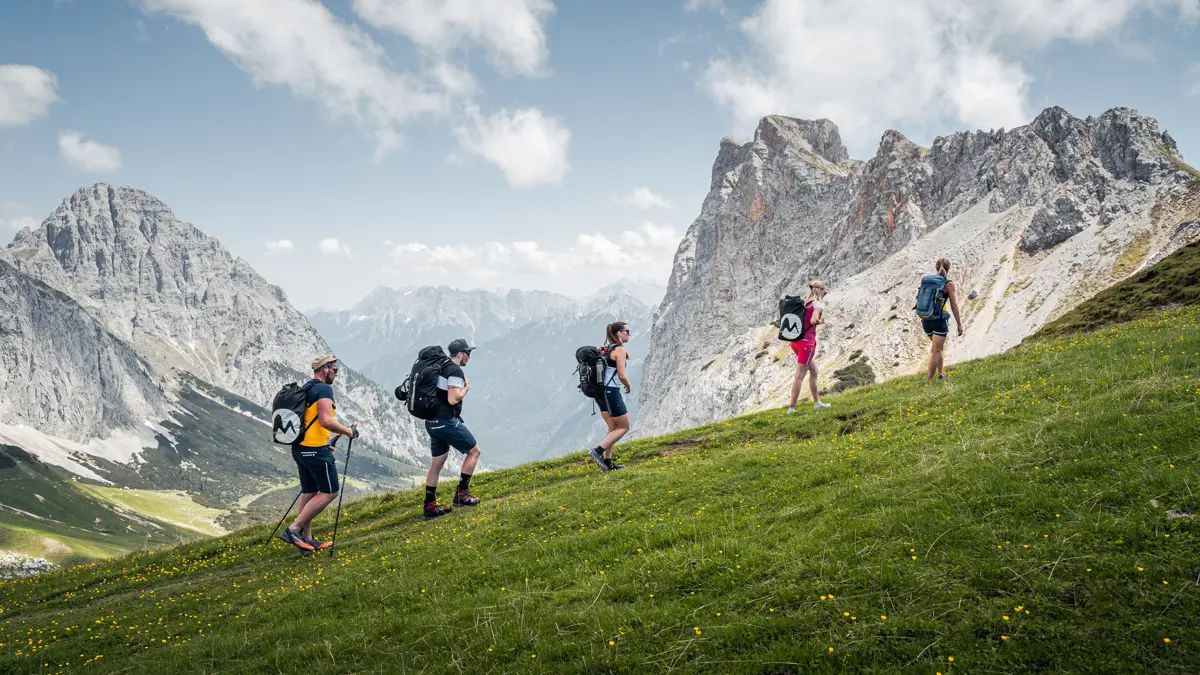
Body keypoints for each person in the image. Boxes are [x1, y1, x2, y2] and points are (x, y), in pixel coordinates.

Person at [278, 355, 359, 552]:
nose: (337, 373)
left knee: (309, 491)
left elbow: (312, 421)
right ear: (325, 369)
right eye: (335, 369)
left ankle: (306, 540)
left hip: (300, 448)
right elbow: (325, 420)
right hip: (314, 450)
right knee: (330, 491)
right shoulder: (323, 389)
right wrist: (348, 432)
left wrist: (326, 441)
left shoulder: (307, 387)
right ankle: (294, 529)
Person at [422, 339, 482, 519]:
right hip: (445, 421)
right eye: (468, 353)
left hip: (431, 421)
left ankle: (429, 507)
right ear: (460, 354)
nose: (469, 357)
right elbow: (453, 399)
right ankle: (462, 496)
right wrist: (466, 388)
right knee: (474, 452)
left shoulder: (440, 366)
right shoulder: (454, 370)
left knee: (437, 464)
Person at [588, 322, 631, 472]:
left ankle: (608, 463)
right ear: (619, 333)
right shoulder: (619, 349)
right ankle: (597, 451)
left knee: (613, 427)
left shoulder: (606, 350)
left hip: (599, 393)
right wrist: (628, 385)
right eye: (627, 331)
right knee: (624, 426)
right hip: (611, 392)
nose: (629, 334)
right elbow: (621, 375)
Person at [787, 281, 832, 414]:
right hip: (807, 343)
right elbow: (813, 320)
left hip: (795, 342)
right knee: (799, 376)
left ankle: (817, 403)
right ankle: (792, 408)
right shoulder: (817, 304)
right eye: (824, 290)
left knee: (814, 371)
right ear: (820, 290)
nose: (825, 292)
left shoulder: (804, 302)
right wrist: (820, 320)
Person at [923, 258, 964, 382]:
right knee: (936, 350)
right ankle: (929, 381)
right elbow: (954, 306)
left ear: (936, 268)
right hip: (939, 320)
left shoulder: (928, 281)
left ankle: (941, 374)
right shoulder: (948, 284)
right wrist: (959, 324)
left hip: (925, 320)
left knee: (939, 347)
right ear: (948, 268)